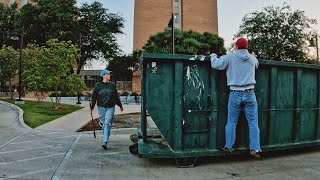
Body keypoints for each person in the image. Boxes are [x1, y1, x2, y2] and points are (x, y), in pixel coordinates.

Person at [210, 38, 262, 159]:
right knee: (253, 123)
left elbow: (215, 64)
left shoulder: (230, 57)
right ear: (247, 47)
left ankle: (228, 146)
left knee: (232, 121)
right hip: (250, 93)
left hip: (235, 93)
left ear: (236, 46)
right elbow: (257, 65)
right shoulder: (252, 58)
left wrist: (213, 55)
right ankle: (255, 149)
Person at [91, 69, 123, 150]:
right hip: (101, 107)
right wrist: (92, 106)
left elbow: (116, 96)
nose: (109, 75)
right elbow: (94, 96)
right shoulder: (98, 85)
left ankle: (105, 141)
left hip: (110, 107)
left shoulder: (112, 85)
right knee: (104, 123)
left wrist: (120, 105)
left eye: (109, 74)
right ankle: (105, 133)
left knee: (107, 123)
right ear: (103, 75)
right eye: (108, 74)